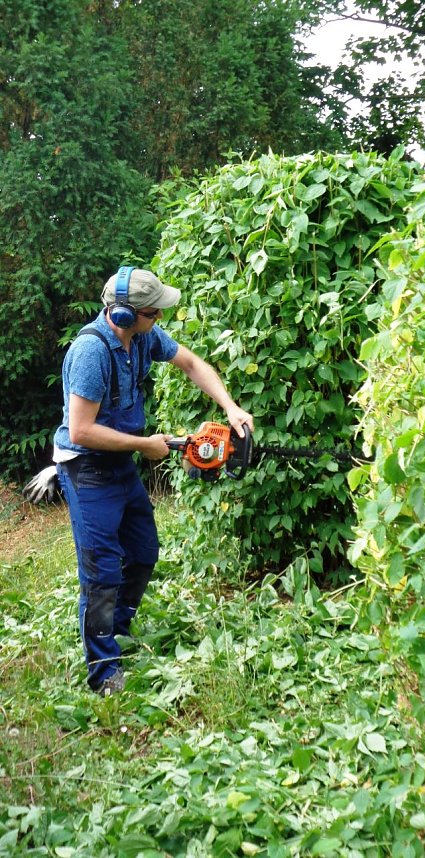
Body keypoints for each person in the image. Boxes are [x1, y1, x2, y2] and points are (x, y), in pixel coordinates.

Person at [51, 266, 254, 697]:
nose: (159, 319)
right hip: (86, 469)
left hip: (121, 461)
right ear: (125, 315)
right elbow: (81, 430)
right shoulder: (91, 352)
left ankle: (116, 634)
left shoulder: (142, 337)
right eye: (153, 313)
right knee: (102, 570)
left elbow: (191, 362)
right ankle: (104, 671)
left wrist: (231, 408)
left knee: (143, 552)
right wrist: (145, 444)